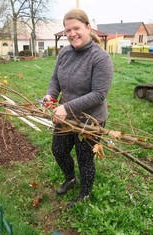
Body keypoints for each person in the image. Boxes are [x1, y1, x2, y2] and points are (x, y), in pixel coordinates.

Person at [43, 8, 113, 208]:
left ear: (88, 28)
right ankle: (71, 178)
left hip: (89, 119)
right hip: (65, 117)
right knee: (58, 150)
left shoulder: (100, 58)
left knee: (85, 159)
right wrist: (51, 95)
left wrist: (66, 107)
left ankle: (85, 193)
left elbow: (99, 94)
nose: (72, 33)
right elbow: (55, 78)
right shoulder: (64, 52)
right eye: (68, 30)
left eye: (76, 28)